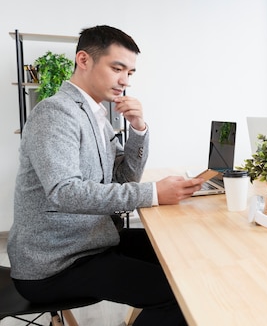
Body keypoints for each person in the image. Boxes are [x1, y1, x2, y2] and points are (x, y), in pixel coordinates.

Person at [7, 25, 205, 325]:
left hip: (91, 242)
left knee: (181, 257)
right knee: (179, 295)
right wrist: (154, 193)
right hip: (56, 263)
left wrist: (138, 128)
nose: (125, 81)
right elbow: (65, 191)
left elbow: (124, 180)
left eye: (131, 73)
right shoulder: (55, 113)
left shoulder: (97, 115)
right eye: (117, 68)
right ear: (84, 60)